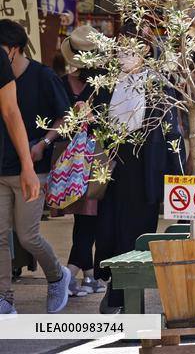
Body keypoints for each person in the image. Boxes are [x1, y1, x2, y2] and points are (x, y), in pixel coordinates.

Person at [95, 24, 183, 314]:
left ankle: (123, 293)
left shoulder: (158, 83)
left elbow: (172, 131)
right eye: (120, 47)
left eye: (129, 47)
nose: (123, 53)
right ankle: (114, 283)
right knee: (109, 227)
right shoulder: (108, 82)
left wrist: (177, 176)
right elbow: (97, 119)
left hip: (145, 163)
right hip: (112, 164)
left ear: (145, 49)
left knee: (136, 230)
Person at [0, 20, 71, 314]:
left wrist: (43, 142)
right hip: (1, 169)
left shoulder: (42, 76)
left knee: (28, 235)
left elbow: (65, 116)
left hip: (32, 167)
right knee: (0, 236)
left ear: (14, 50)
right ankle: (4, 298)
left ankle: (57, 276)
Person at [57, 25, 108, 297]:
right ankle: (68, 275)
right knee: (90, 221)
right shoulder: (104, 87)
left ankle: (87, 278)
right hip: (95, 160)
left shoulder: (63, 84)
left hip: (69, 163)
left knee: (83, 220)